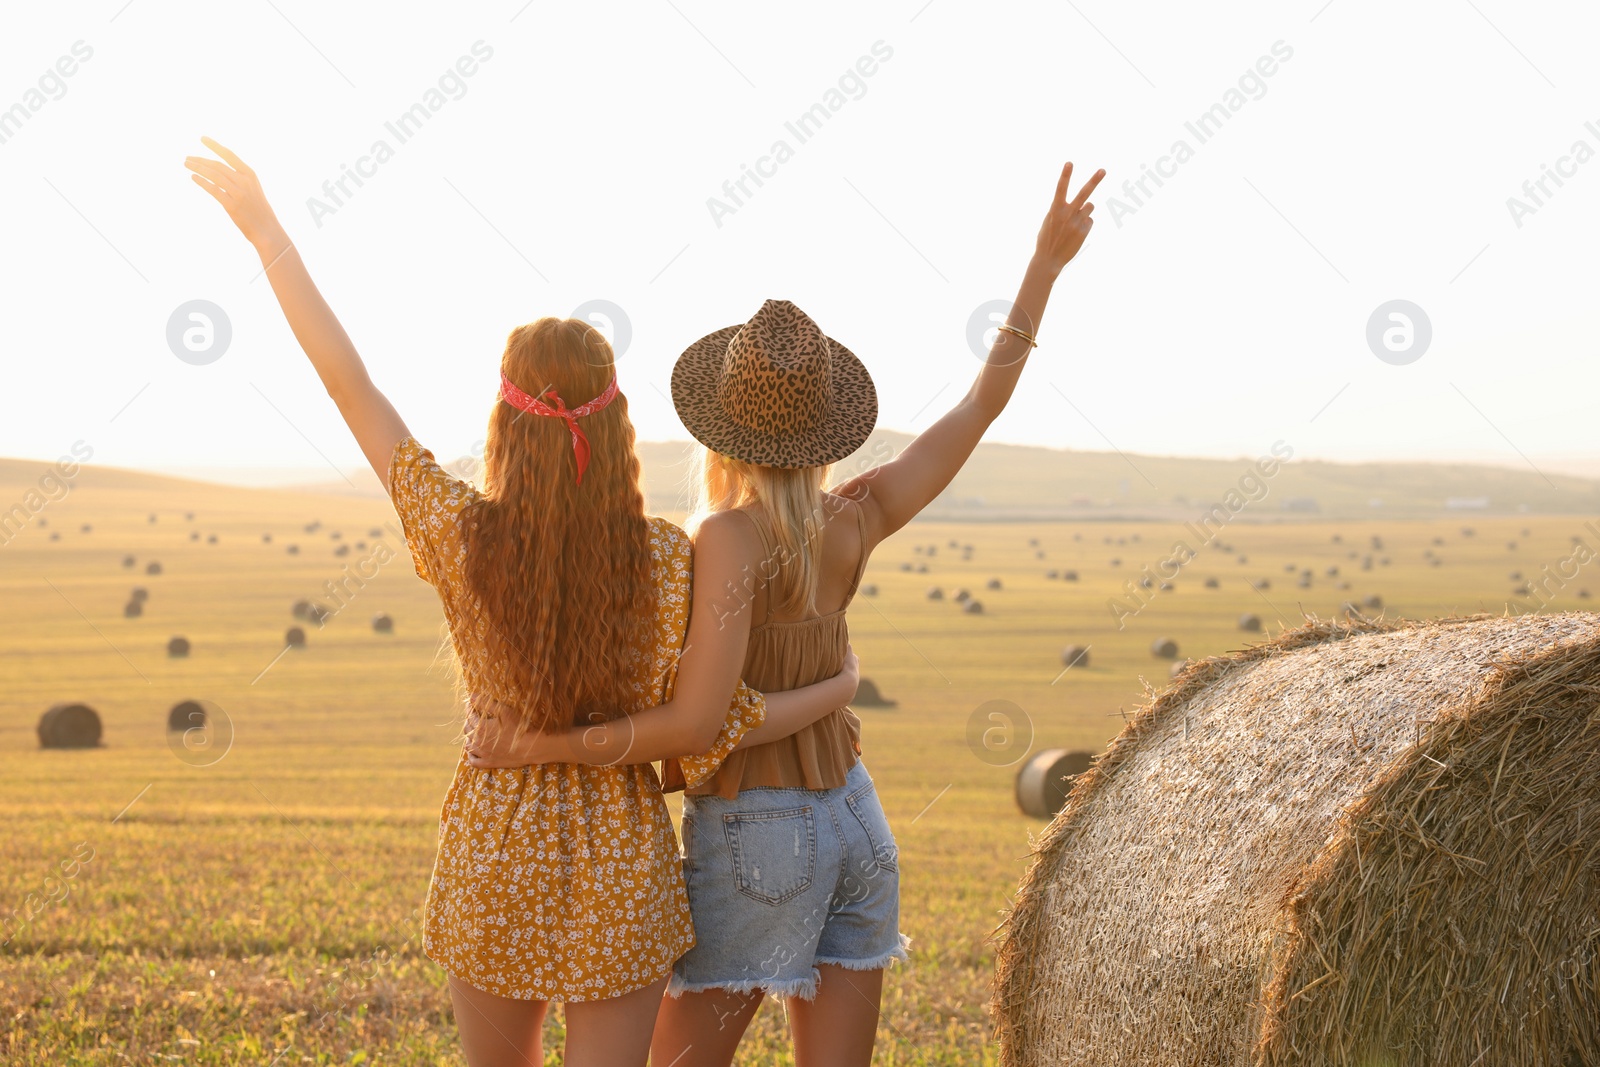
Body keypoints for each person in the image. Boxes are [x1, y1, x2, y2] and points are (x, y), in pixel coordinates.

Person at [184, 137, 857, 1067]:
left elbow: (349, 383)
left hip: (492, 852)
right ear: (619, 423)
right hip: (620, 866)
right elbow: (708, 719)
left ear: (503, 421)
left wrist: (267, 233)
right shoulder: (671, 557)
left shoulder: (460, 535)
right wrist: (835, 687)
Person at [477, 161, 1106, 1066]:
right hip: (858, 819)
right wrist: (1042, 270)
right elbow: (980, 404)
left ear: (721, 427)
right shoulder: (857, 516)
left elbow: (704, 720)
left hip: (757, 829)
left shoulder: (728, 538)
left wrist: (547, 746)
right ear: (822, 426)